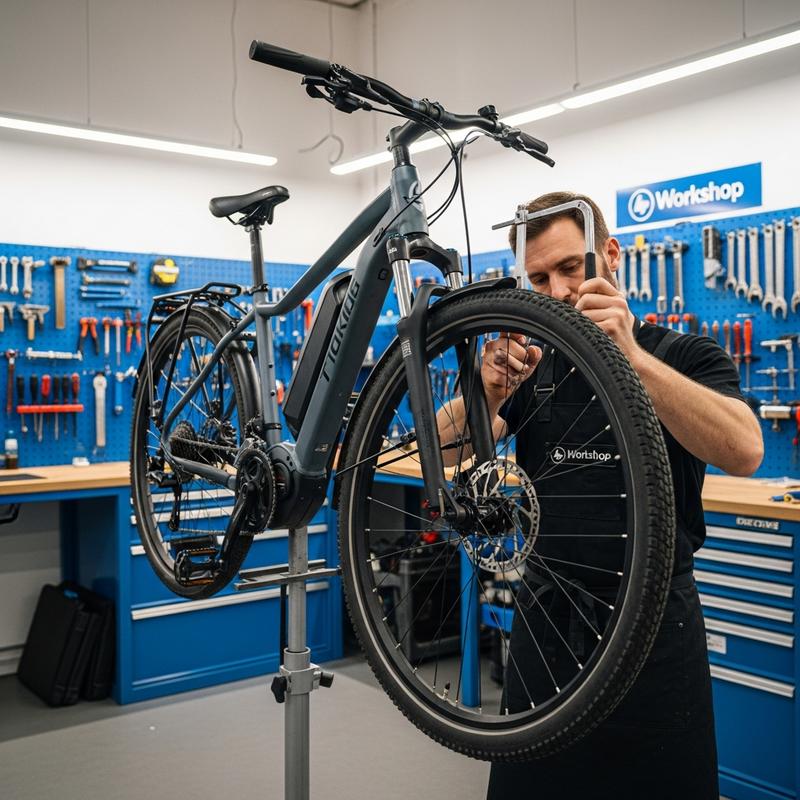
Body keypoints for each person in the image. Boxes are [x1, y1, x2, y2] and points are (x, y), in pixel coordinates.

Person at [449, 191, 763, 799]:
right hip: (548, 625)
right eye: (539, 277)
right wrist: (483, 392)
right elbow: (441, 451)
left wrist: (632, 360)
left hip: (653, 631)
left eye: (571, 267)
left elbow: (745, 449)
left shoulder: (683, 355)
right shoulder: (532, 368)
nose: (559, 290)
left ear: (609, 255)